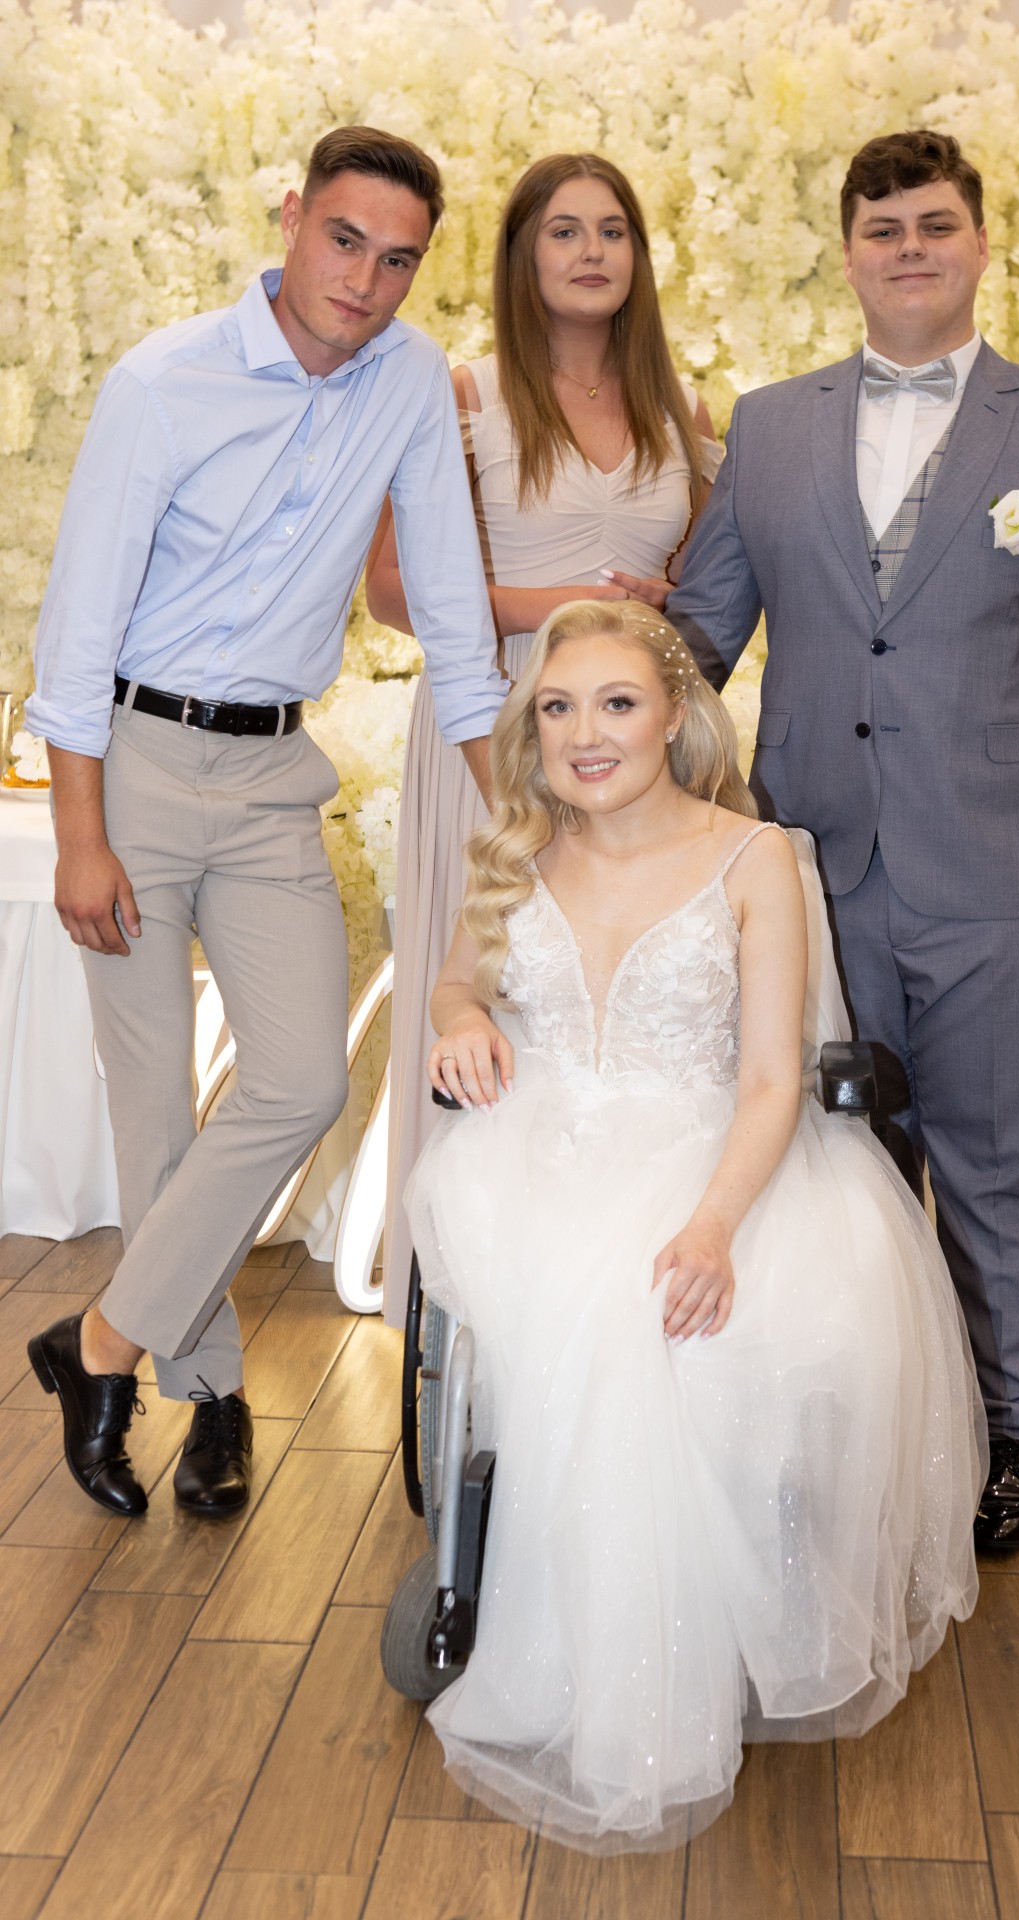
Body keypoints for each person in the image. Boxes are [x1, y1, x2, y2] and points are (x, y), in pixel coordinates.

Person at [404, 599, 985, 1851]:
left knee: (671, 1305)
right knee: (586, 1296)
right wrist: (462, 1020)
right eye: (558, 710)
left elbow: (773, 1080)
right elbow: (454, 980)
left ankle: (688, 1619)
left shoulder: (754, 857)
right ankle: (581, 1617)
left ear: (674, 714)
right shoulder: (518, 853)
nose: (585, 735)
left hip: (717, 1154)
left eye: (616, 704)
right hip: (537, 1149)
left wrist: (715, 1227)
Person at [652, 130, 1019, 1554]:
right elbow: (701, 634)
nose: (911, 248)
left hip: (1006, 869)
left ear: (979, 244)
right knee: (834, 1167)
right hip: (810, 868)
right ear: (849, 253)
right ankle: (862, 1421)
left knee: (993, 1166)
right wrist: (596, 705)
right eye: (884, 229)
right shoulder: (770, 427)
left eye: (935, 224)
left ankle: (1015, 1427)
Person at [25, 126, 506, 1519]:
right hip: (131, 767)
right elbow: (77, 631)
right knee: (154, 1113)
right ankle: (214, 1392)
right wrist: (80, 837)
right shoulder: (160, 382)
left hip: (271, 777)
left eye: (399, 260)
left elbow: (457, 622)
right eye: (345, 240)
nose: (365, 280)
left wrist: (526, 819)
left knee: (300, 1082)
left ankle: (99, 1346)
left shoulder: (410, 383)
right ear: (292, 219)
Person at [365, 152, 720, 1330]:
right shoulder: (461, 397)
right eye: (562, 231)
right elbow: (392, 590)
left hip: (633, 749)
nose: (589, 252)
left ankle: (600, 1304)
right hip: (497, 722)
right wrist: (562, 606)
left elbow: (704, 592)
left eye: (612, 230)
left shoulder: (684, 413)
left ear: (639, 256)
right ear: (522, 255)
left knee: (612, 1003)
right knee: (491, 988)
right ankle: (466, 1316)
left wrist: (657, 620)